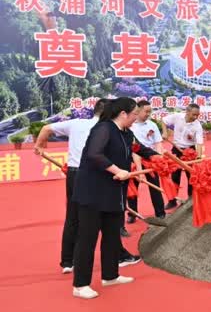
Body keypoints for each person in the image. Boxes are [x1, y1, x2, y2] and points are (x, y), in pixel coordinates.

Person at [34, 99, 140, 273]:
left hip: (75, 174)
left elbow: (46, 128)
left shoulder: (77, 124)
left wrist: (39, 145)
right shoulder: (108, 129)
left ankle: (68, 261)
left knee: (73, 218)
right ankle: (114, 259)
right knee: (104, 220)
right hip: (98, 176)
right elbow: (96, 155)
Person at [71, 98, 159, 299]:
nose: (136, 118)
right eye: (135, 114)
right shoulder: (103, 129)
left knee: (112, 234)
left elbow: (139, 149)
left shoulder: (127, 133)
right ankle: (80, 284)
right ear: (123, 114)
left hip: (113, 191)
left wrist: (158, 157)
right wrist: (117, 169)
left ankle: (110, 275)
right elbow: (94, 154)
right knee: (88, 237)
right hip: (92, 192)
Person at [128, 100, 165, 223]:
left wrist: (159, 158)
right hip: (133, 160)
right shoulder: (130, 125)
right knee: (132, 189)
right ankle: (132, 214)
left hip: (150, 160)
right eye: (146, 111)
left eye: (150, 111)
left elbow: (158, 142)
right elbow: (134, 149)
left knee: (155, 187)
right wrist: (139, 170)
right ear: (138, 111)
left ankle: (160, 213)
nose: (148, 114)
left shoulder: (152, 125)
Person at [161, 104, 204, 209]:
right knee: (175, 175)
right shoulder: (177, 117)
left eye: (197, 115)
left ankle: (190, 199)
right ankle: (173, 200)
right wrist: (165, 132)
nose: (195, 117)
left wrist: (198, 158)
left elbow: (199, 142)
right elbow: (163, 120)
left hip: (190, 151)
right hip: (176, 149)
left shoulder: (197, 125)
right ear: (187, 112)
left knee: (191, 176)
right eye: (193, 114)